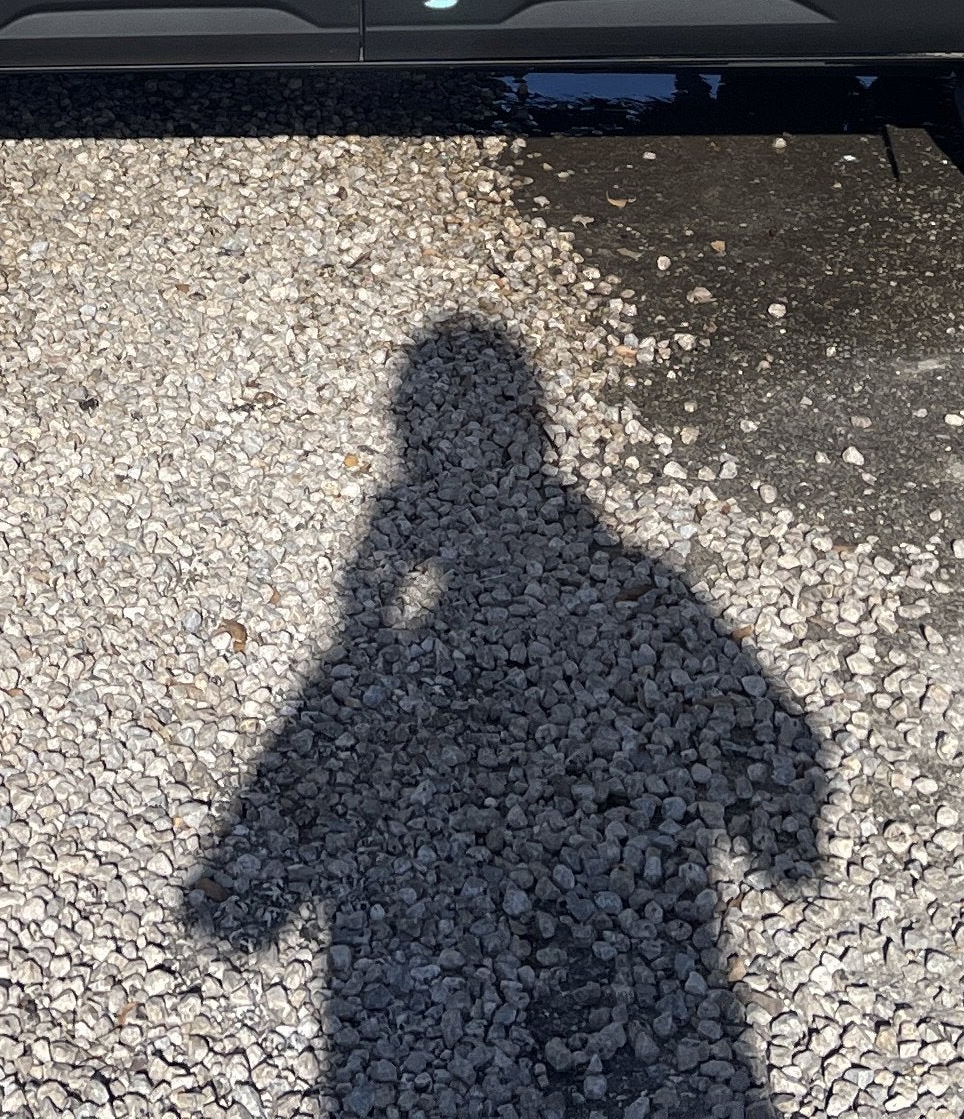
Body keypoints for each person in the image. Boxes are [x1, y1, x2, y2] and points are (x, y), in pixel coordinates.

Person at [187, 319, 825, 1113]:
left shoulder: (408, 609)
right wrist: (782, 836)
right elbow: (777, 743)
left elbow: (254, 865)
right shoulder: (637, 577)